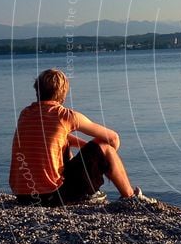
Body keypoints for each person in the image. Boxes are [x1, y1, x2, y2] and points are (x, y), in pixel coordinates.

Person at [9, 68, 153, 206]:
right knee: (106, 147)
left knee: (68, 147)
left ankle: (88, 188)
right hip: (51, 197)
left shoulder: (25, 114)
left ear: (37, 89)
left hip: (23, 197)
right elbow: (113, 138)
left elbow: (54, 139)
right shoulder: (65, 116)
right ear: (63, 93)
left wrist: (86, 148)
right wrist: (100, 161)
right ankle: (130, 197)